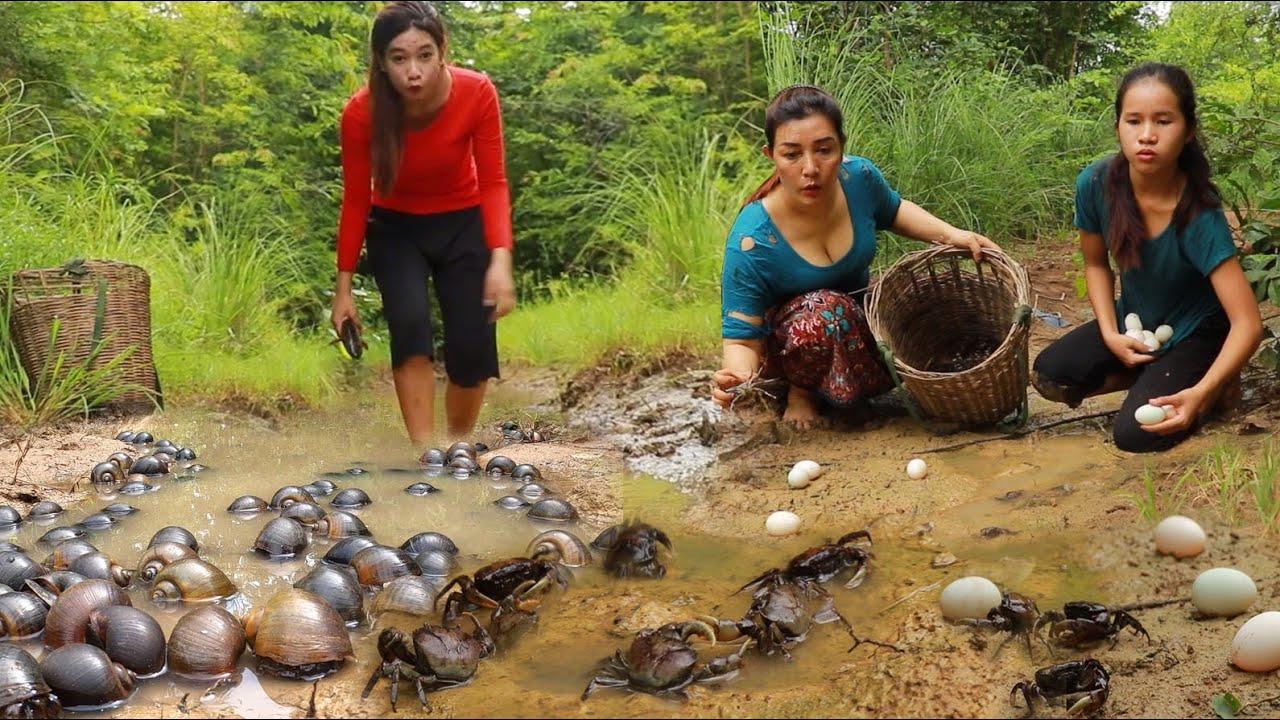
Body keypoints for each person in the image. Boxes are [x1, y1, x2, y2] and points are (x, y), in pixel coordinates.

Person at [710, 84, 1001, 429]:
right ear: (770, 155)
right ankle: (803, 394)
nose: (810, 168)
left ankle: (873, 384)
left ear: (841, 146)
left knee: (916, 304)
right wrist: (739, 379)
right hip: (791, 350)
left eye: (824, 150)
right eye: (791, 154)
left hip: (857, 317)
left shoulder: (859, 178)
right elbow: (742, 336)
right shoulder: (751, 240)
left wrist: (954, 235)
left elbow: (893, 210)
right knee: (825, 310)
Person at [1031, 62, 1262, 453]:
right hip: (1139, 319)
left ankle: (1213, 380)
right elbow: (1095, 264)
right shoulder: (1096, 183)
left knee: (1134, 436)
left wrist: (1201, 395)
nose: (1147, 136)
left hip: (1198, 329)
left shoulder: (1199, 213)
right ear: (1118, 126)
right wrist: (1109, 332)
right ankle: (1159, 377)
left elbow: (1248, 323)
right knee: (1050, 375)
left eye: (1164, 121)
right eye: (1133, 121)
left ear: (1188, 131)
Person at [331, 0, 515, 447]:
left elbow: (493, 182)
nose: (413, 71)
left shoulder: (476, 92)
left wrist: (500, 261)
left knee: (472, 350)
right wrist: (343, 291)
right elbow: (356, 200)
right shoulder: (361, 112)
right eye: (399, 58)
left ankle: (455, 448)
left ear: (442, 51)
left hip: (465, 223)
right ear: (381, 61)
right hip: (396, 228)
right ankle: (424, 454)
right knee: (410, 329)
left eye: (424, 55)